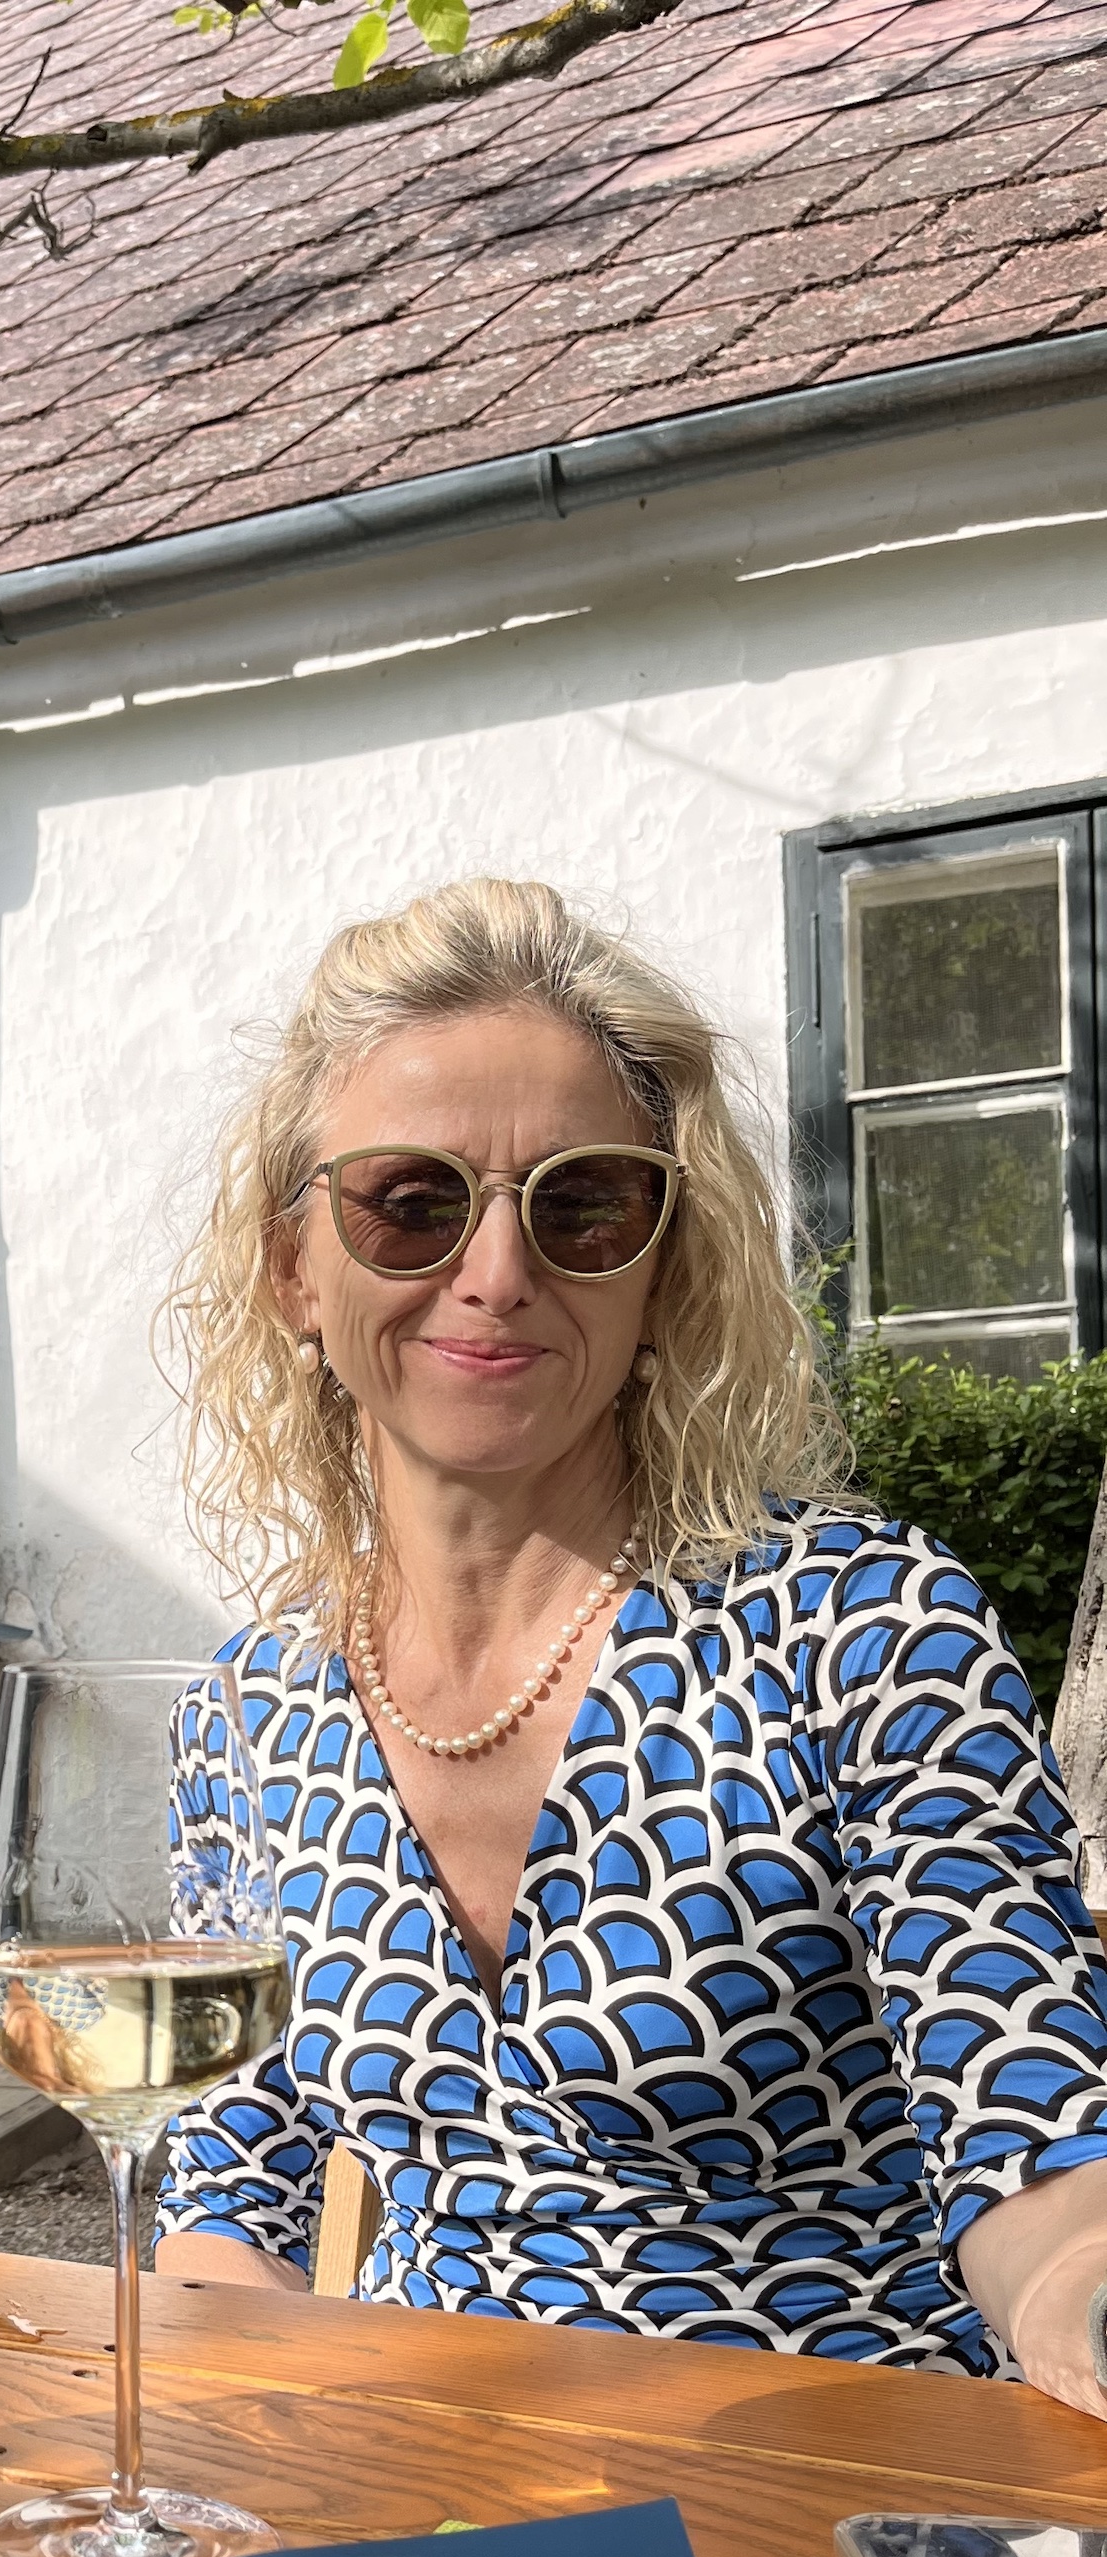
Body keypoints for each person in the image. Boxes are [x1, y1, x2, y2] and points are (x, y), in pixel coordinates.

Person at [156, 878, 1107, 2424]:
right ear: (296, 1273)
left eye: (585, 1202)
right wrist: (241, 2457)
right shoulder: (246, 1715)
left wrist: (1081, 2292)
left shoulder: (860, 1625)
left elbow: (1030, 2114)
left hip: (830, 2489)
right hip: (434, 2488)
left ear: (664, 1267)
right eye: (411, 1200)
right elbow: (232, 2189)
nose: (497, 1270)